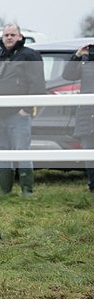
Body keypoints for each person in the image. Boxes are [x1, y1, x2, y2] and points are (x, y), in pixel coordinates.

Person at [0, 24, 46, 196]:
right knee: (1, 151)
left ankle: (27, 190)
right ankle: (4, 190)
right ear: (2, 37)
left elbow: (37, 84)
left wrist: (27, 108)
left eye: (12, 34)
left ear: (20, 36)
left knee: (22, 150)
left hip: (19, 114)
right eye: (6, 34)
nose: (9, 37)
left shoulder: (30, 56)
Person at [62, 43, 94, 191]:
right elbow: (67, 75)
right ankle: (93, 184)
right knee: (88, 149)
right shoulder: (84, 62)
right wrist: (77, 56)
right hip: (87, 113)